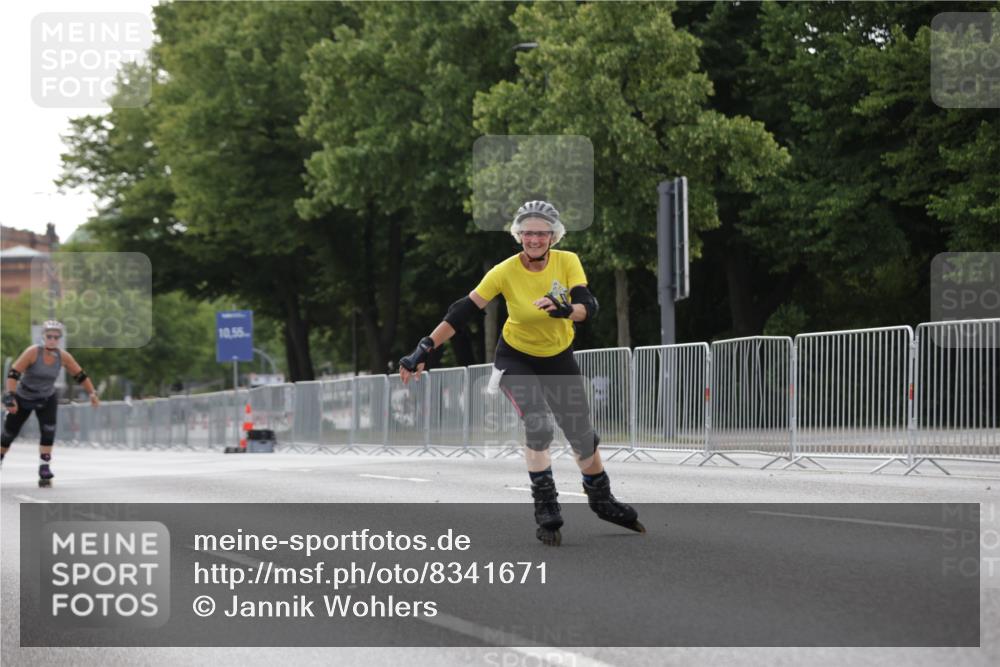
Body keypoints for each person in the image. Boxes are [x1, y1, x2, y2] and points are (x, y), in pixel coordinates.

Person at [399, 200, 644, 545]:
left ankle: (602, 500)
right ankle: (545, 504)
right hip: (515, 358)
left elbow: (588, 307)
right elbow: (463, 310)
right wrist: (424, 348)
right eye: (527, 232)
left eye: (541, 232)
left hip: (557, 357)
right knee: (538, 422)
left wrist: (565, 309)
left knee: (581, 435)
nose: (534, 238)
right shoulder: (504, 271)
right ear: (518, 235)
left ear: (553, 236)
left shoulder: (567, 261)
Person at [2, 321, 100, 487]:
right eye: (49, 336)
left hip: (46, 398)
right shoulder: (33, 352)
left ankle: (44, 468)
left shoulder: (64, 357)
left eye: (56, 337)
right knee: (9, 435)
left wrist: (92, 393)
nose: (53, 340)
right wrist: (10, 396)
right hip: (24, 397)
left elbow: (80, 375)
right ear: (43, 337)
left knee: (48, 432)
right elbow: (13, 373)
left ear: (60, 339)